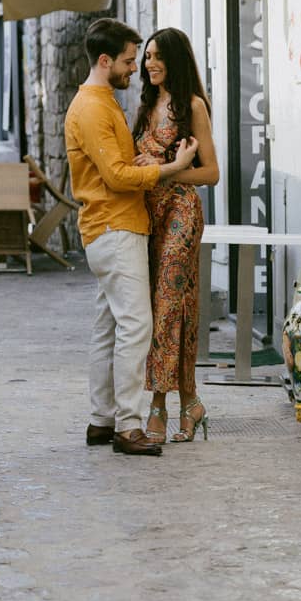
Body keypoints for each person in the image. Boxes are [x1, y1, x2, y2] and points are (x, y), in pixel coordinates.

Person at [65, 18, 195, 456]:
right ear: (105, 61)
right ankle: (128, 425)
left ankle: (101, 420)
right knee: (137, 325)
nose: (133, 69)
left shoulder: (100, 102)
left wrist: (140, 157)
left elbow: (118, 162)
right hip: (115, 226)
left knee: (107, 327)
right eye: (126, 61)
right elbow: (118, 177)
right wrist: (172, 169)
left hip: (108, 226)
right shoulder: (94, 107)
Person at [131, 28, 220, 444]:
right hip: (151, 214)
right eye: (146, 56)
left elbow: (211, 173)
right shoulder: (146, 106)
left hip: (182, 212)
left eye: (156, 56)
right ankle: (191, 401)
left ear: (175, 59)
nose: (149, 63)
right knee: (169, 306)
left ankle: (157, 406)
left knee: (167, 305)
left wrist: (169, 170)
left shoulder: (193, 106)